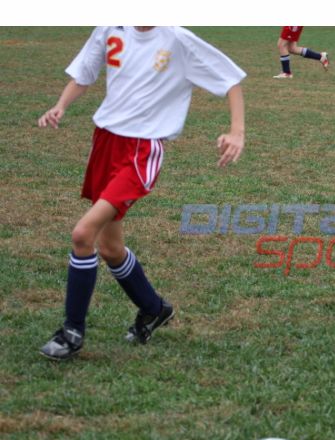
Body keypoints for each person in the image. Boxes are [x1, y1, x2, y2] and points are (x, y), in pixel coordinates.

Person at [37, 26, 246, 360]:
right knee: (110, 248)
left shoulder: (176, 38)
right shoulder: (110, 27)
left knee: (83, 234)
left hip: (140, 152)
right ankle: (154, 308)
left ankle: (72, 332)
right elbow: (84, 74)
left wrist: (237, 132)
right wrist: (61, 105)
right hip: (105, 142)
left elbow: (230, 80)